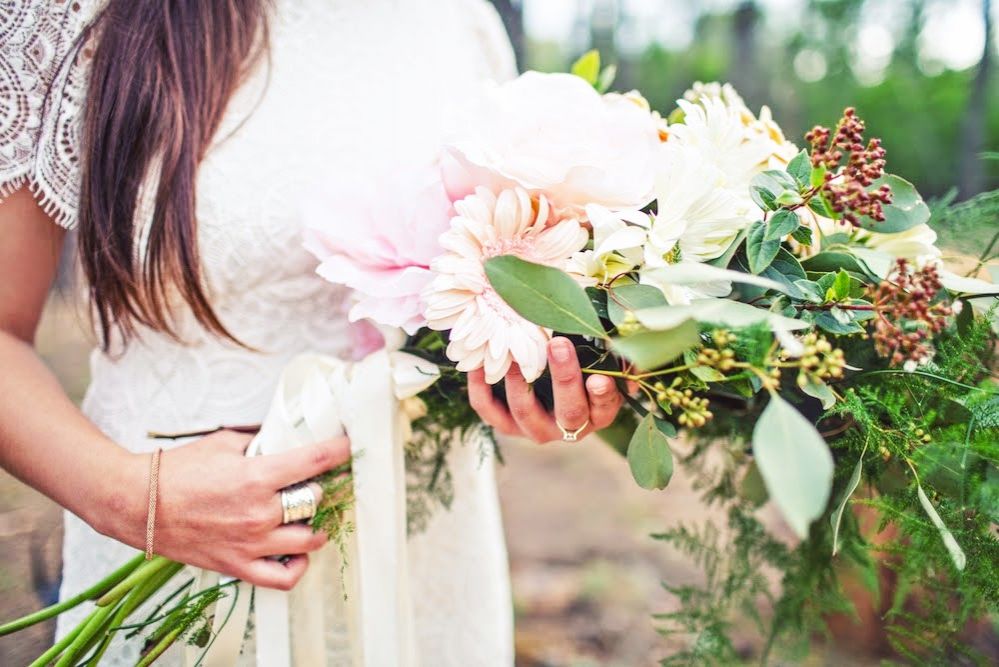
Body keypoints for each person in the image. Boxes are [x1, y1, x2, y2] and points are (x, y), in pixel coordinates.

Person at [0, 0, 624, 663]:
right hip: (187, 573)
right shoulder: (65, 15)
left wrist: (534, 375)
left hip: (427, 562)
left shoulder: (461, 19)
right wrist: (132, 499)